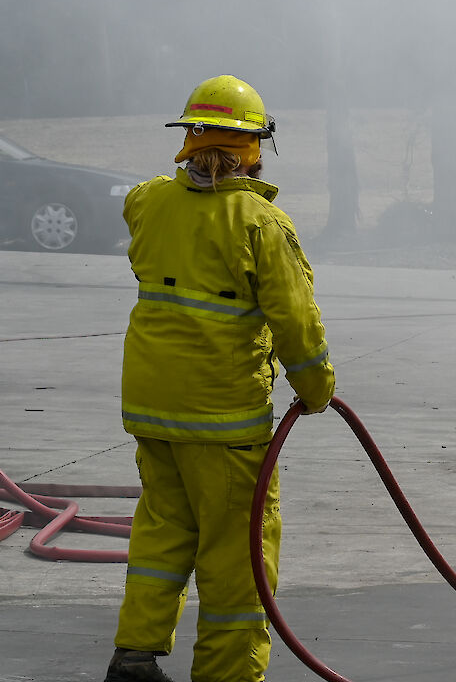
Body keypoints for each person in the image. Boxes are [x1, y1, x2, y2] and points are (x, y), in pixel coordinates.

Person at [105, 75, 335, 682]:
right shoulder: (261, 224)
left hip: (152, 412)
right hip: (223, 422)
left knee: (162, 529)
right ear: (254, 147)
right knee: (237, 560)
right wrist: (316, 391)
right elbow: (296, 324)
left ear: (188, 138)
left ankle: (135, 653)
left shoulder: (147, 201)